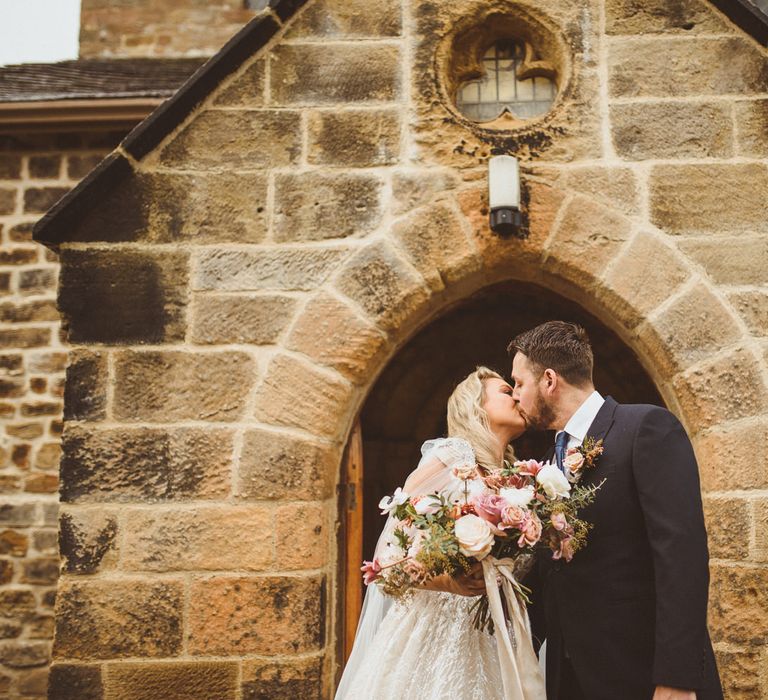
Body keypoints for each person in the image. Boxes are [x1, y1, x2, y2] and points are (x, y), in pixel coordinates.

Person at [509, 321, 723, 700]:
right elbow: (553, 575)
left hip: (643, 675)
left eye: (519, 383)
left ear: (549, 380)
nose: (515, 396)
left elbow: (682, 557)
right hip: (570, 677)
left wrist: (677, 676)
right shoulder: (546, 462)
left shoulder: (644, 429)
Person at [335, 367, 546, 700]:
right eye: (507, 390)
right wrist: (449, 581)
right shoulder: (451, 458)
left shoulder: (514, 483)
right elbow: (387, 560)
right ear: (475, 406)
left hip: (495, 635)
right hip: (434, 636)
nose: (518, 396)